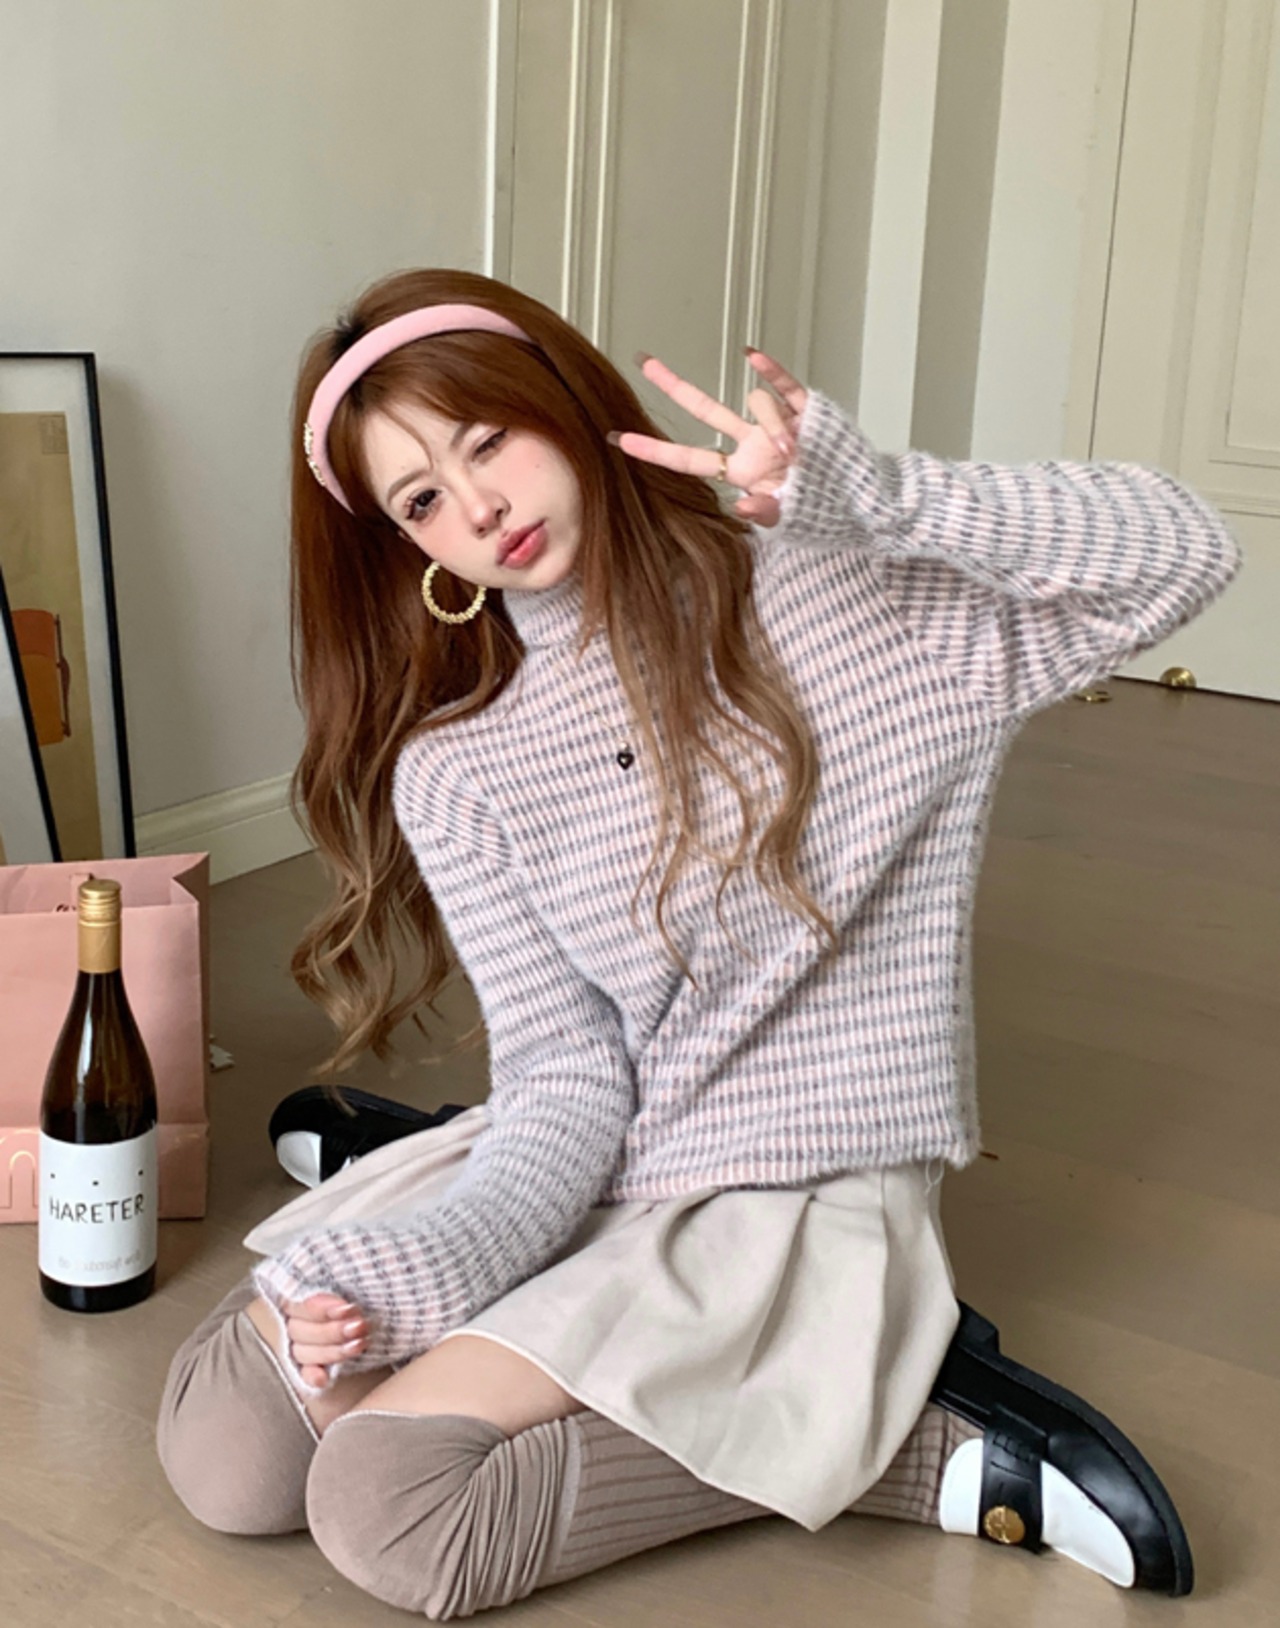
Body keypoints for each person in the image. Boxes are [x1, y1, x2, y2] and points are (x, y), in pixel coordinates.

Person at [156, 267, 1241, 1619]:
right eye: (422, 500)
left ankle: (902, 1437)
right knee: (226, 1455)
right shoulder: (460, 767)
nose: (479, 508)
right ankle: (473, 1230)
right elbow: (567, 1069)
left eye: (489, 441)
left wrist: (887, 498)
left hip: (790, 1186)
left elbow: (1184, 549)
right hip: (594, 1152)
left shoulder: (837, 602)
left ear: (564, 402)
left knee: (396, 1513)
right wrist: (437, 1262)